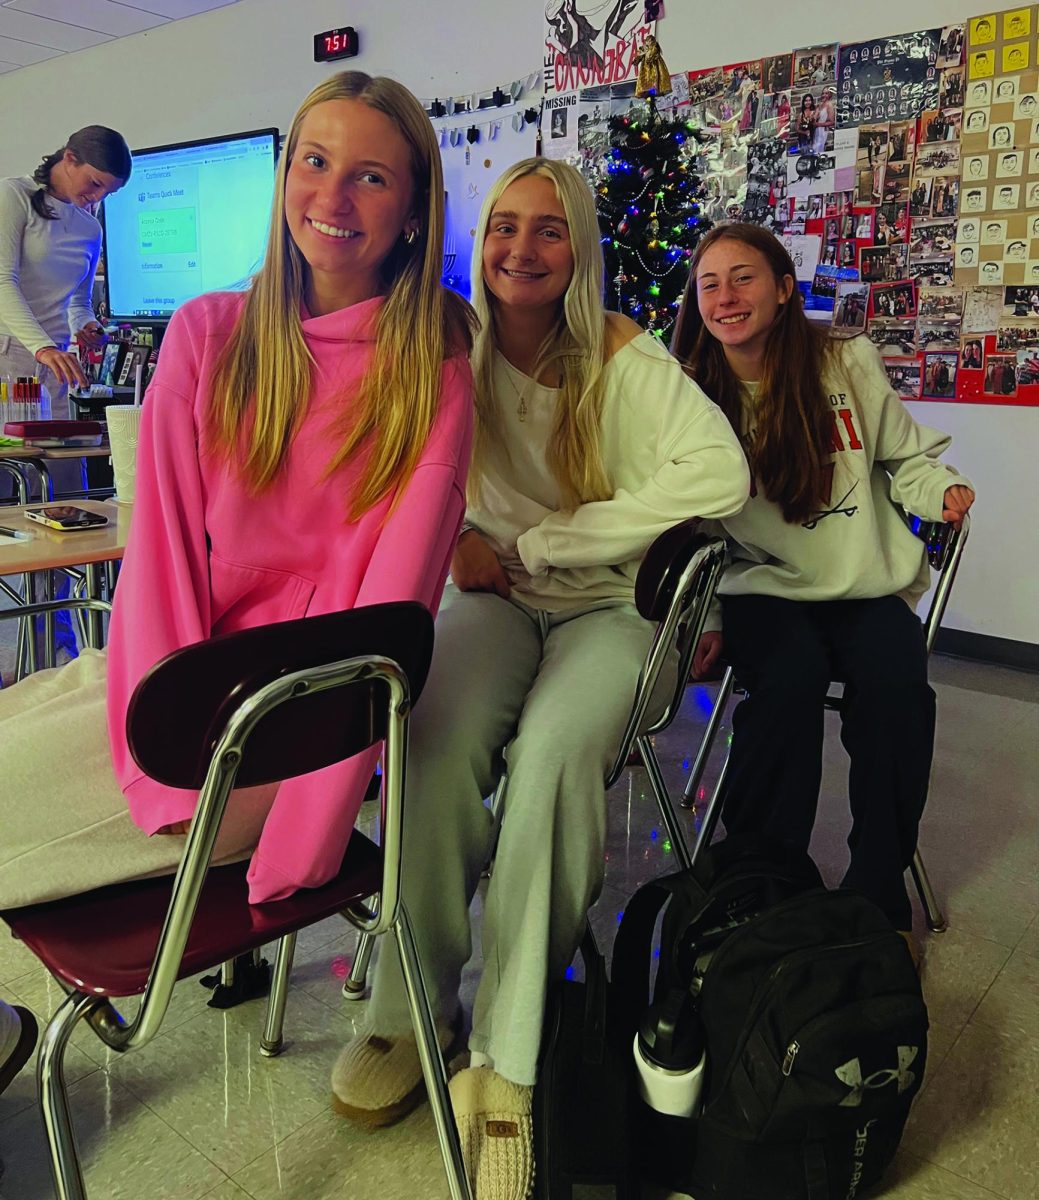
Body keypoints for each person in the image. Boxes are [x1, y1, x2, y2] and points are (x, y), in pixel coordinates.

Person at [328, 159, 749, 1198]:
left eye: (548, 231)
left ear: (580, 249)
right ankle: (409, 1008)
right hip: (491, 598)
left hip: (609, 609)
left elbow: (718, 471)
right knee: (427, 737)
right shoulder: (448, 344)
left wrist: (562, 540)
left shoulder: (619, 352)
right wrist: (464, 530)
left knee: (555, 758)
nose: (521, 249)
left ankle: (507, 1064)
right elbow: (386, 463)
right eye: (504, 227)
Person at [0, 71, 476, 909]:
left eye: (370, 176)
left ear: (412, 212)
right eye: (314, 161)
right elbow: (161, 558)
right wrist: (162, 736)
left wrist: (309, 826)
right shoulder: (207, 332)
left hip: (279, 733)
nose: (332, 195)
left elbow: (386, 622)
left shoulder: (429, 376)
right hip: (167, 689)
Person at [670, 223, 974, 950]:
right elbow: (687, 529)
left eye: (742, 277)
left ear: (781, 289)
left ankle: (876, 891)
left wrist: (942, 491)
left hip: (863, 585)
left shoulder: (845, 361)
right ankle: (765, 879)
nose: (724, 296)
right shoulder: (684, 395)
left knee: (898, 688)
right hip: (762, 588)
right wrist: (707, 616)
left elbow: (906, 460)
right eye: (708, 283)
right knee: (789, 686)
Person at [0, 125, 130, 411]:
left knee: (66, 455)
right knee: (17, 453)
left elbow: (78, 303)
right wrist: (42, 347)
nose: (98, 197)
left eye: (109, 192)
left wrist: (86, 324)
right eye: (95, 183)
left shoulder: (90, 229)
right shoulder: (13, 195)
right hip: (10, 353)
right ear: (70, 158)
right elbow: (3, 282)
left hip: (56, 361)